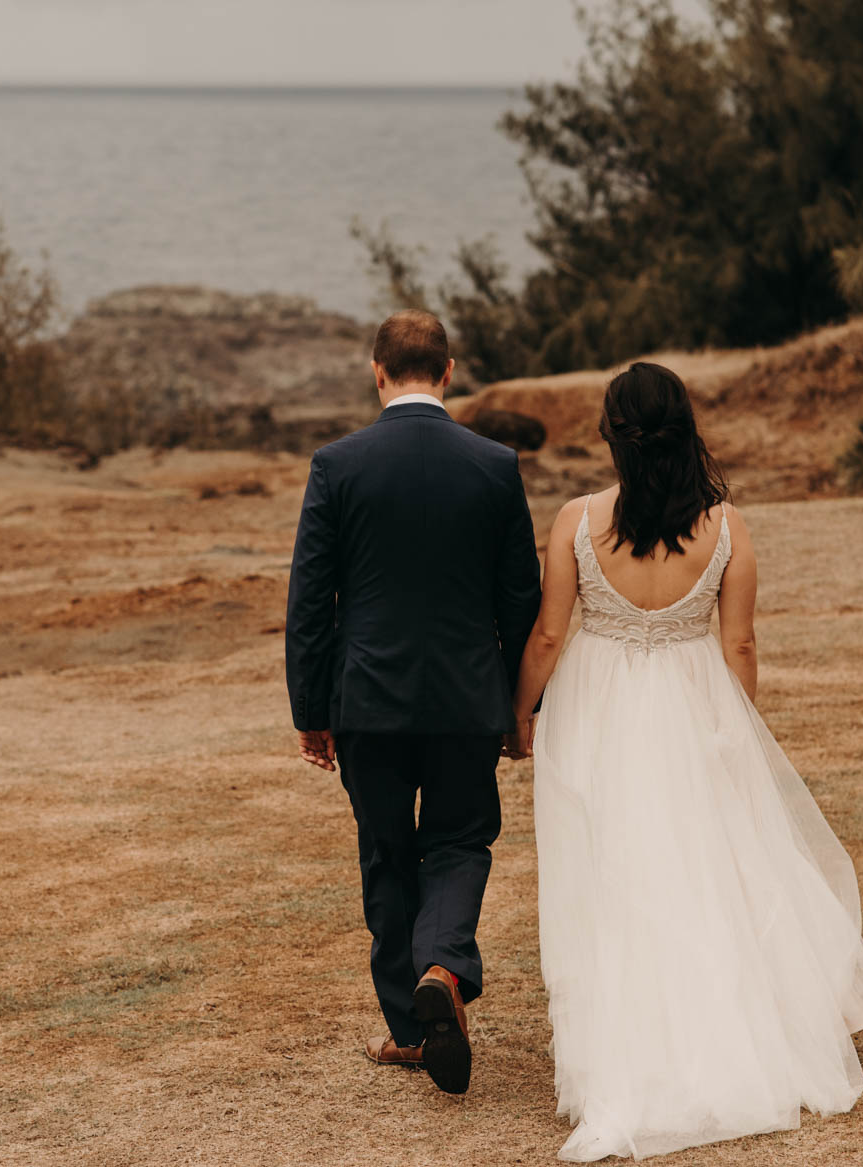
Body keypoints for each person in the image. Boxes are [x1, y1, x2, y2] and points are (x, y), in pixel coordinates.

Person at [511, 362, 863, 1161]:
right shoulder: (727, 527)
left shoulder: (577, 520)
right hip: (692, 699)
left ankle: (634, 1033)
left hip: (600, 705)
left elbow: (548, 634)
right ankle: (729, 1025)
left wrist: (519, 709)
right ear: (686, 428)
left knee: (611, 870)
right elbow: (740, 643)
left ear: (612, 434)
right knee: (705, 865)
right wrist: (732, 725)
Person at [284, 310, 542, 1094]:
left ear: (377, 370)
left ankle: (409, 1026)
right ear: (450, 370)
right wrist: (519, 705)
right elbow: (519, 599)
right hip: (467, 699)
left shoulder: (338, 465)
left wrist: (311, 708)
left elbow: (310, 599)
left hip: (369, 702)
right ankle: (444, 965)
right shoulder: (495, 465)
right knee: (461, 842)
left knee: (388, 853)